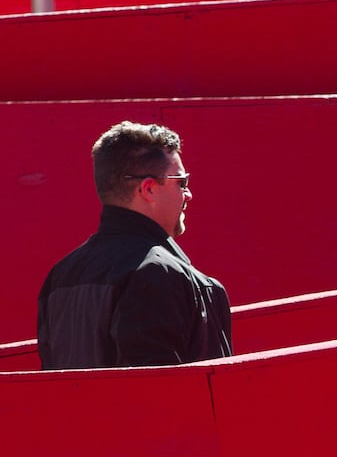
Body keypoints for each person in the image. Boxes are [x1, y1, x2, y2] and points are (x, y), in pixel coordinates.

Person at [37, 121, 231, 369]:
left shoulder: (60, 275)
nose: (188, 194)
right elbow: (176, 394)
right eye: (181, 182)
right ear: (148, 188)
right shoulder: (161, 274)